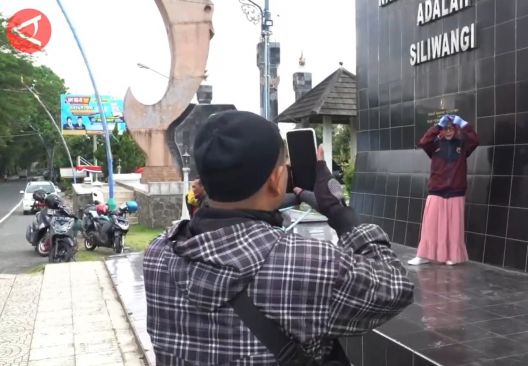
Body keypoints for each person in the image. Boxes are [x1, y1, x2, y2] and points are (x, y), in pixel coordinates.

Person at [144, 111, 413, 365]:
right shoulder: (306, 263)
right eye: (283, 166)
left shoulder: (157, 256)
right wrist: (339, 213)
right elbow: (395, 287)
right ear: (276, 180)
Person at [408, 114, 479, 266]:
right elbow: (423, 141)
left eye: (451, 128)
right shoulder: (434, 145)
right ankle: (424, 255)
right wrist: (437, 126)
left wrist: (464, 124)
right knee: (430, 225)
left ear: (455, 129)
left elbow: (475, 140)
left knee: (454, 227)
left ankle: (453, 256)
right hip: (436, 190)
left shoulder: (462, 145)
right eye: (445, 128)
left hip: (456, 191)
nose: (448, 131)